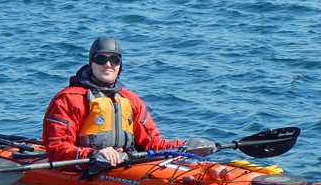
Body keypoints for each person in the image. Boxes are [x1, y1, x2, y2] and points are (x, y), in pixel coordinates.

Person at [42, 37, 216, 174]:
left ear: (120, 65)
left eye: (114, 60)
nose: (108, 65)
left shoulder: (129, 99)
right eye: (101, 59)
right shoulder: (68, 99)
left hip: (125, 163)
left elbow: (151, 143)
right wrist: (93, 154)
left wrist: (183, 146)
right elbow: (56, 150)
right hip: (86, 165)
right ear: (91, 63)